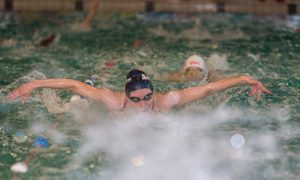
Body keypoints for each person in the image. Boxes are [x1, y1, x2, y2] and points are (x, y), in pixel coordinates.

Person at [6, 69, 271, 113]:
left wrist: (243, 79)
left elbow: (208, 88)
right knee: (77, 100)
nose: (144, 103)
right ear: (126, 95)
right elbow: (74, 84)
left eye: (148, 97)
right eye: (136, 99)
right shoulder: (112, 100)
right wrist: (34, 84)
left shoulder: (166, 101)